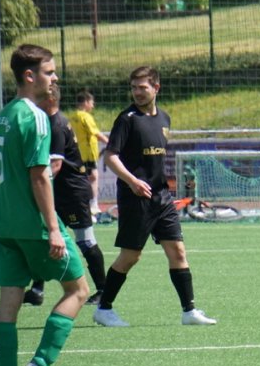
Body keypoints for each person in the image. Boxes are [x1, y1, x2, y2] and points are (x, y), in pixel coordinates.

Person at [0, 44, 89, 366]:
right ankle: (41, 364)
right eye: (49, 72)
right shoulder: (36, 116)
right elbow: (39, 177)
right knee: (79, 290)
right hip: (33, 225)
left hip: (3, 224)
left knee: (9, 302)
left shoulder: (5, 115)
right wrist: (53, 228)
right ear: (29, 76)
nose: (55, 77)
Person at [92, 66, 217, 327]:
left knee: (178, 251)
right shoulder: (127, 119)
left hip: (161, 197)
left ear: (156, 88)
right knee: (130, 257)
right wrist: (133, 181)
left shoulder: (164, 119)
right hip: (135, 198)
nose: (137, 92)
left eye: (142, 87)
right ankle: (103, 309)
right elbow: (111, 156)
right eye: (133, 88)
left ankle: (189, 311)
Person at [23, 85, 108, 307]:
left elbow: (56, 165)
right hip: (59, 192)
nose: (35, 102)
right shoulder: (49, 122)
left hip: (72, 193)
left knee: (86, 241)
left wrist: (36, 184)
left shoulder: (57, 125)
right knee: (45, 237)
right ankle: (37, 290)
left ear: (51, 99)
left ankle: (103, 291)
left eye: (39, 97)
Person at [68, 89, 109, 217]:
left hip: (77, 153)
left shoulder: (72, 116)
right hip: (88, 154)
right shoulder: (86, 117)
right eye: (91, 102)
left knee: (83, 179)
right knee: (93, 177)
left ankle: (82, 205)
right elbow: (95, 133)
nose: (92, 105)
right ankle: (93, 205)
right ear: (85, 102)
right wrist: (110, 143)